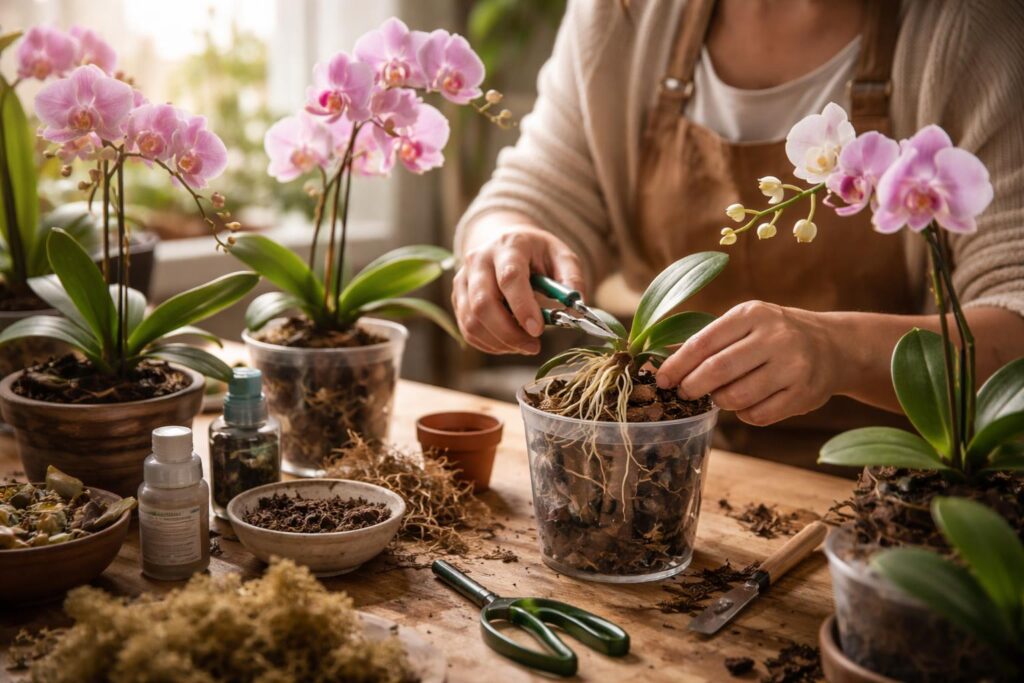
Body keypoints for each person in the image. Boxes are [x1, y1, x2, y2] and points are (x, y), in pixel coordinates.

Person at [450, 0, 1024, 469]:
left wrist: (840, 351)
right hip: (676, 467)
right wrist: (505, 240)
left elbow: (1015, 325)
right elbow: (538, 192)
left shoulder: (973, 30)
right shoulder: (624, 13)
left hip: (900, 491)